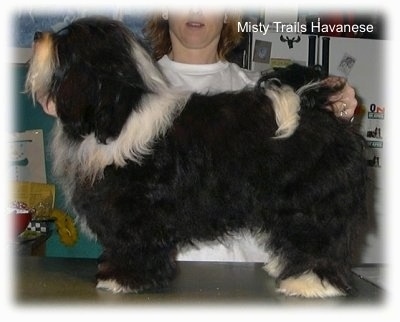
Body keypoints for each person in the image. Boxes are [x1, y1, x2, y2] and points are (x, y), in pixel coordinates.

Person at [143, 8, 358, 263]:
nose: (196, 9)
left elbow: (311, 169)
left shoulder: (264, 93)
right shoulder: (133, 93)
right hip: (164, 273)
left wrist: (338, 112)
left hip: (253, 271)